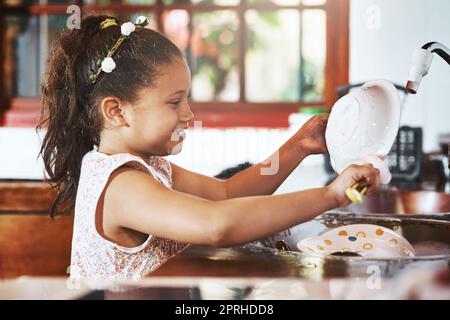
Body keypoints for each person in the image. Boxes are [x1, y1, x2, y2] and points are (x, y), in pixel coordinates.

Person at [38, 15, 381, 281]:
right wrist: (332, 195)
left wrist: (299, 146)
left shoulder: (151, 167)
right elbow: (218, 225)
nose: (189, 114)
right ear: (116, 111)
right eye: (174, 102)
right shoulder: (120, 186)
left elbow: (227, 193)